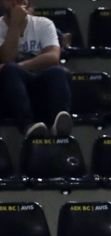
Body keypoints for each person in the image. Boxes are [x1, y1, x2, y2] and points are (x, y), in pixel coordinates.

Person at [0, 0, 72, 139]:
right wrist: (15, 24)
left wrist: (19, 67)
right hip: (10, 94)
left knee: (58, 72)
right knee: (10, 72)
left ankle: (58, 123)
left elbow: (53, 57)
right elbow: (7, 57)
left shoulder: (44, 24)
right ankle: (28, 126)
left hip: (39, 88)